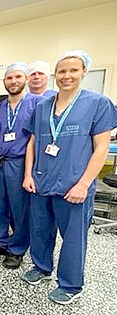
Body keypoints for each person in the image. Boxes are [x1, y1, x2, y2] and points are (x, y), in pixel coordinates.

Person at [22, 50, 117, 304]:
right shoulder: (42, 107)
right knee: (40, 230)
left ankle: (71, 284)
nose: (67, 76)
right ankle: (41, 268)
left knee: (73, 237)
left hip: (73, 184)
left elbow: (102, 148)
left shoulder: (97, 103)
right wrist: (28, 174)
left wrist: (84, 184)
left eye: (73, 70)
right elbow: (32, 142)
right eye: (62, 71)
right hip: (42, 181)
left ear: (84, 72)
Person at [0, 62, 42, 269]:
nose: (13, 81)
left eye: (18, 77)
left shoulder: (38, 104)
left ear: (26, 79)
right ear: (4, 82)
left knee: (20, 208)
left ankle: (17, 249)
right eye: (9, 78)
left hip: (20, 163)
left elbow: (39, 138)